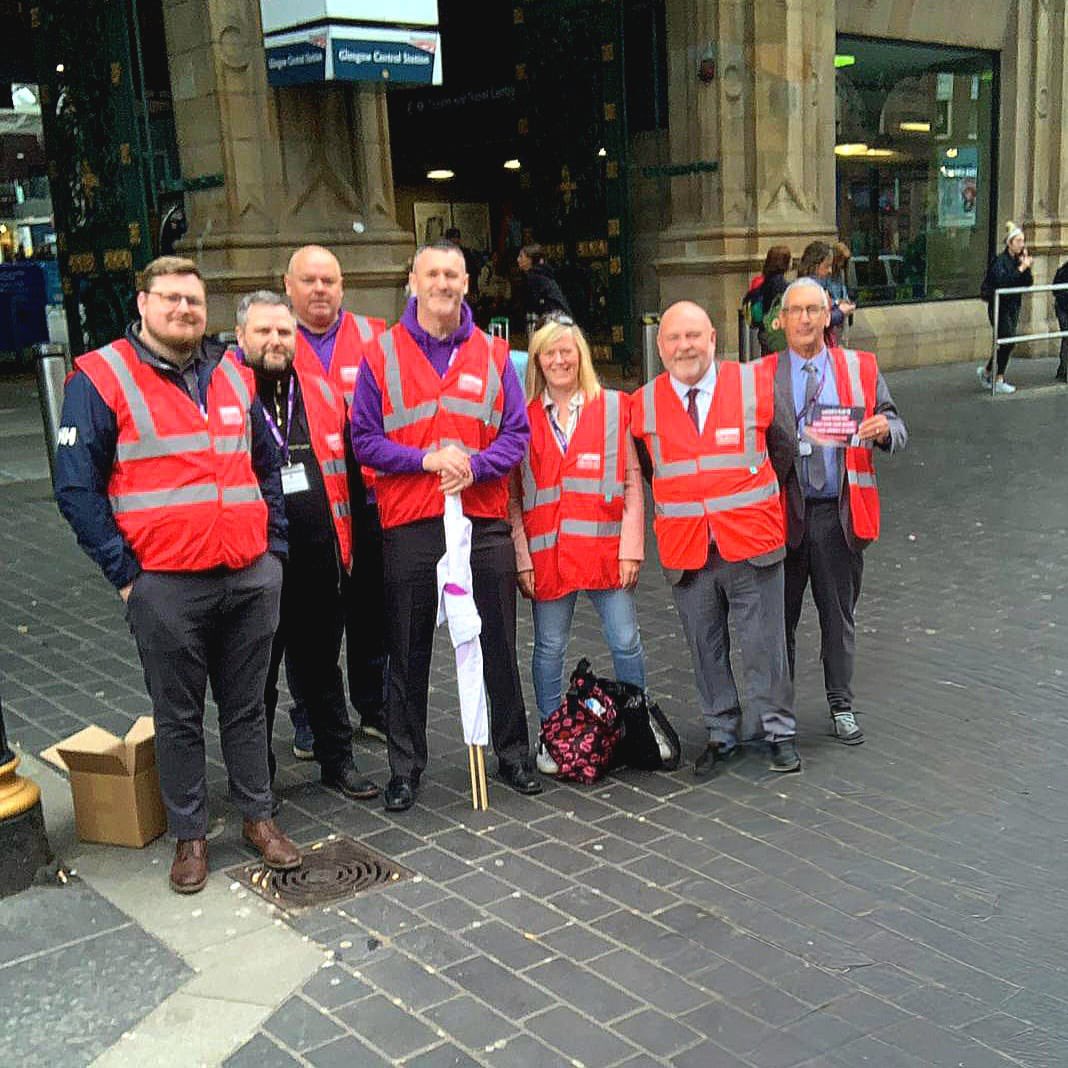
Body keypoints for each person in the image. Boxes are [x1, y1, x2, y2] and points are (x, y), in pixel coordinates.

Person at [53, 256, 300, 894]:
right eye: (171, 298)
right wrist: (126, 574)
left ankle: (258, 816)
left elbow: (267, 463)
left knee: (247, 707)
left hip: (247, 575)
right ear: (143, 304)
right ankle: (190, 835)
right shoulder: (100, 376)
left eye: (194, 299)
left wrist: (271, 552)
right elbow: (76, 487)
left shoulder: (230, 374)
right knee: (178, 713)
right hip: (163, 584)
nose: (185, 309)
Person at [352, 240, 541, 812]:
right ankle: (405, 767)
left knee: (498, 642)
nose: (443, 283)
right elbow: (363, 440)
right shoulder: (381, 355)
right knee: (406, 650)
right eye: (432, 273)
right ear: (413, 280)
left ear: (466, 283)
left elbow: (517, 434)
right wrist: (425, 460)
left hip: (481, 520)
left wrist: (475, 466)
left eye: (452, 274)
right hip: (410, 522)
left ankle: (513, 753)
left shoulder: (493, 354)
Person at [630, 301, 801, 776]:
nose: (684, 346)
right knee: (705, 648)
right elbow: (649, 469)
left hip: (752, 541)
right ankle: (721, 731)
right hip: (687, 547)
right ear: (660, 348)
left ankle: (778, 731)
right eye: (673, 339)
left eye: (693, 336)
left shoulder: (754, 384)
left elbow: (783, 449)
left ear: (712, 339)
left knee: (765, 645)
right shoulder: (641, 404)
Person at [234, 290, 379, 802]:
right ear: (240, 337)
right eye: (264, 332)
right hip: (257, 562)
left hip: (319, 558)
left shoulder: (315, 387)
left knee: (321, 667)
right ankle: (257, 782)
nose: (276, 341)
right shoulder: (226, 393)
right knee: (258, 680)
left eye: (284, 332)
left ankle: (337, 762)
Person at [770, 278, 907, 746]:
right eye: (796, 311)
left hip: (837, 515)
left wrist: (885, 430)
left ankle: (841, 704)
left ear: (829, 316)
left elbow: (896, 423)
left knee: (838, 617)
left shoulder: (861, 368)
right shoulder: (760, 375)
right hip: (783, 515)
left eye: (814, 310)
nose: (805, 319)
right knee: (777, 621)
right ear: (781, 320)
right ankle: (778, 714)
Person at [509, 317, 646, 775]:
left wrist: (631, 547)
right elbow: (511, 497)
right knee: (548, 648)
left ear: (581, 355)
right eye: (550, 353)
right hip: (548, 557)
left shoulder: (613, 407)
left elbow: (631, 480)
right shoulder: (523, 419)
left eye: (567, 351)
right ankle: (552, 733)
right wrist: (521, 557)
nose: (560, 359)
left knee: (626, 641)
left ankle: (634, 727)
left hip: (606, 552)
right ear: (538, 361)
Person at [283, 245, 389, 754]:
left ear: (343, 286)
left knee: (372, 611)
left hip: (368, 502)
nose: (320, 289)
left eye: (328, 280)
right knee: (309, 621)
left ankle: (374, 705)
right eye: (309, 280)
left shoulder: (375, 336)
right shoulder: (271, 341)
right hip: (307, 509)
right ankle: (311, 717)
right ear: (289, 287)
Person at [979, 222, 1034, 393]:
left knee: (1005, 342)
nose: (1021, 244)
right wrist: (1021, 268)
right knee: (1007, 340)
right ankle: (999, 378)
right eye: (1018, 241)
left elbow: (1027, 283)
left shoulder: (1018, 260)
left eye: (1022, 241)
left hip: (1012, 305)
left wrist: (1026, 268)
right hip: (999, 307)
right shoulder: (1000, 261)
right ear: (1009, 243)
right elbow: (1003, 282)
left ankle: (987, 371)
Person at [798, 241, 855, 344]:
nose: (830, 271)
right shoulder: (810, 289)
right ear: (815, 265)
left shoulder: (812, 286)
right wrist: (841, 312)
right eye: (827, 266)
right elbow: (821, 320)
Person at [747, 245, 792, 356]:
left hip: (764, 332)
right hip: (777, 334)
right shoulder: (782, 285)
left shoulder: (763, 282)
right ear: (784, 262)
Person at [517, 244, 572, 321]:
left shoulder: (534, 277)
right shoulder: (544, 274)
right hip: (564, 317)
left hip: (554, 318)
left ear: (530, 259)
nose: (518, 259)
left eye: (521, 256)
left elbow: (533, 305)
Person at [445, 227, 482, 305]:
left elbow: (473, 272)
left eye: (457, 237)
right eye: (453, 238)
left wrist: (472, 291)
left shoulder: (466, 253)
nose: (455, 240)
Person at [1053, 256, 1068, 383]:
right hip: (1064, 308)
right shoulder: (1064, 270)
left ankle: (1063, 370)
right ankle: (1064, 370)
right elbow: (1056, 290)